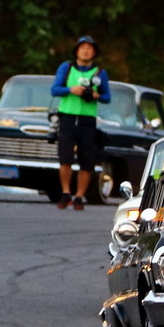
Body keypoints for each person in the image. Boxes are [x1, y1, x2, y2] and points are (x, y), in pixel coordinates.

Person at [51, 35, 110, 210]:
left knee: (87, 159)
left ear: (94, 53)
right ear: (76, 51)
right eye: (82, 48)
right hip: (67, 117)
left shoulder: (99, 72)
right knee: (65, 157)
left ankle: (79, 195)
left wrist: (95, 95)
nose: (85, 51)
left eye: (89, 49)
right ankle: (65, 192)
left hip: (87, 119)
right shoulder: (67, 67)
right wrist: (71, 90)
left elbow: (107, 97)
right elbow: (54, 89)